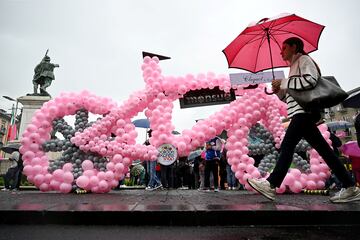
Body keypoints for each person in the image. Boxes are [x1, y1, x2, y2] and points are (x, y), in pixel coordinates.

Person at [247, 37, 360, 203]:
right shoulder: (293, 66)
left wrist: (284, 82)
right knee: (325, 151)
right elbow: (291, 98)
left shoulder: (303, 59)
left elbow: (310, 80)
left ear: (294, 47)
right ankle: (350, 186)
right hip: (299, 112)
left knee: (287, 145)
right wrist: (279, 90)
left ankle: (271, 184)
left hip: (303, 112)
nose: (281, 51)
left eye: (284, 47)